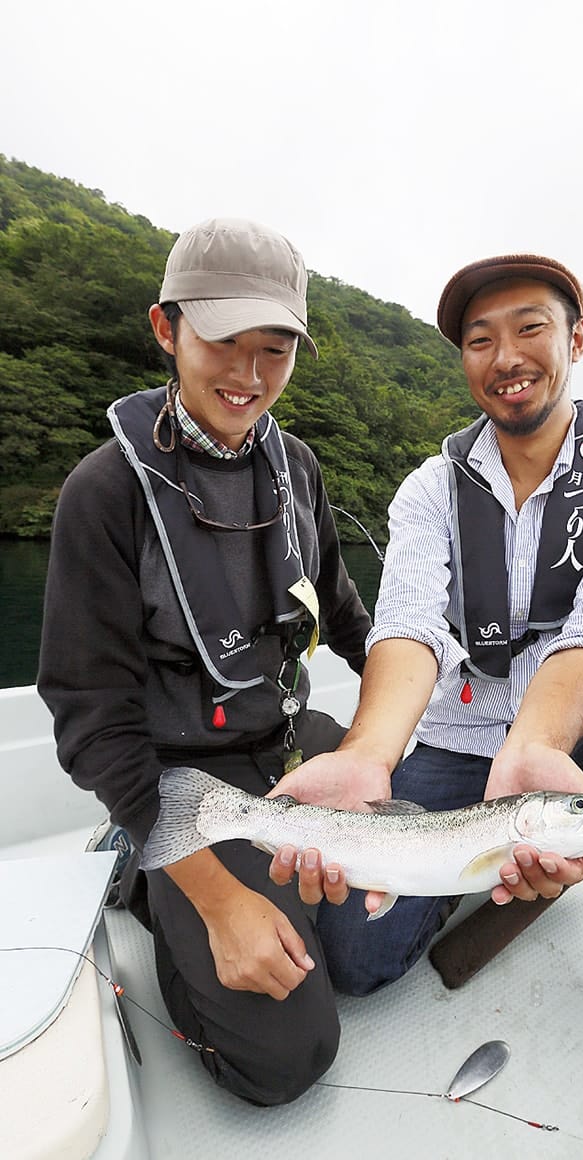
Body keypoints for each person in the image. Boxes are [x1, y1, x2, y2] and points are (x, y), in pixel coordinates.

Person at [270, 254, 583, 1149]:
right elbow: (409, 632)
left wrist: (536, 754)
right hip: (456, 742)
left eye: (529, 329)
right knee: (357, 963)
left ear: (574, 339)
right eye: (479, 338)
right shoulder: (429, 491)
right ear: (463, 360)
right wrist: (367, 754)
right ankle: (508, 854)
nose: (506, 355)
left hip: (567, 745)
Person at [37, 217, 374, 1106]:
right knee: (285, 1059)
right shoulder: (104, 493)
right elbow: (90, 718)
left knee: (396, 912)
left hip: (288, 745)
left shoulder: (296, 466)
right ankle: (153, 880)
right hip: (179, 781)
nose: (249, 376)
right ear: (165, 329)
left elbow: (343, 616)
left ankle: (229, 882)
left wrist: (389, 726)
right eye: (224, 341)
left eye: (275, 350)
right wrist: (219, 903)